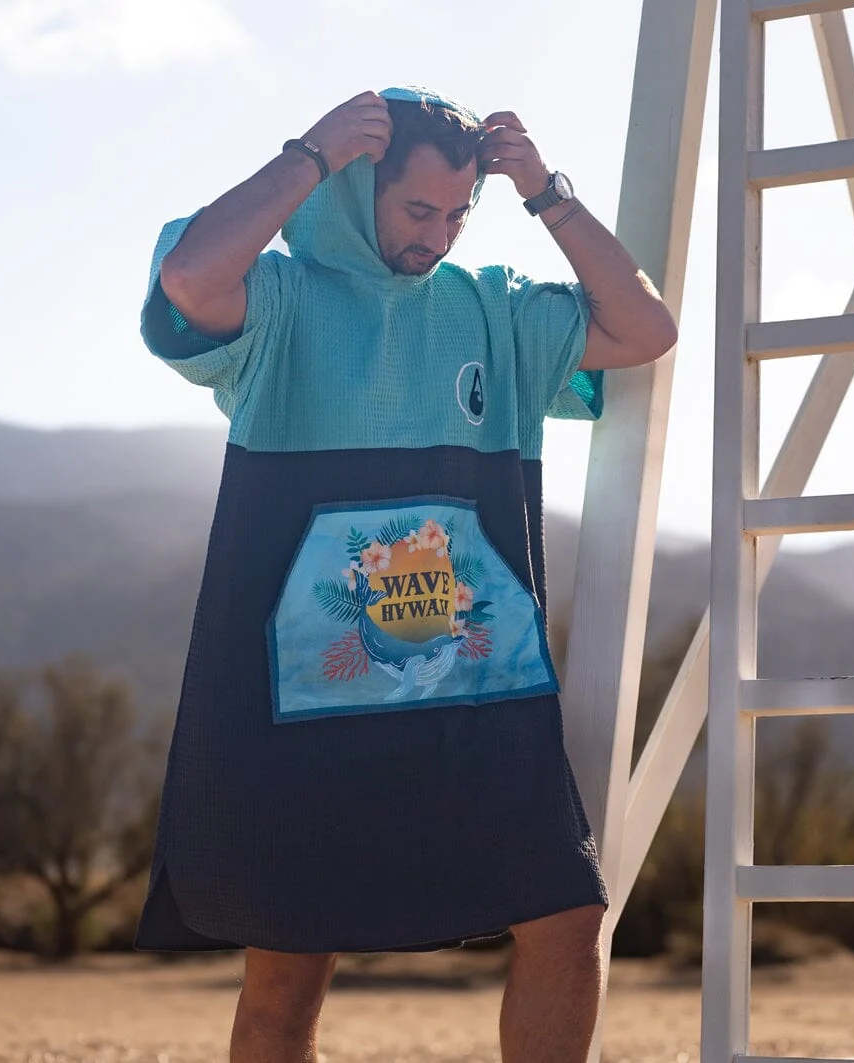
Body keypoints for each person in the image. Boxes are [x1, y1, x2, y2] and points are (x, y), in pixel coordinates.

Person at [135, 86, 678, 1063]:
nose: (438, 236)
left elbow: (644, 327)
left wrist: (546, 193)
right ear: (355, 191)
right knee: (287, 977)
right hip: (305, 698)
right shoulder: (280, 299)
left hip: (478, 686)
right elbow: (189, 276)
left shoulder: (494, 308)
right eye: (418, 210)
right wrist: (309, 154)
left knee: (566, 912)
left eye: (458, 214)